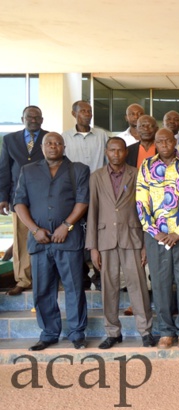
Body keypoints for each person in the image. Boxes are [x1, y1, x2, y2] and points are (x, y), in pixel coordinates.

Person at [13, 132, 89, 350]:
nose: (53, 146)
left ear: (64, 147)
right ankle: (48, 333)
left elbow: (82, 201)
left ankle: (76, 333)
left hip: (69, 240)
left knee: (74, 288)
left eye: (57, 143)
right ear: (42, 147)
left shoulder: (79, 170)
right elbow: (19, 204)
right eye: (49, 143)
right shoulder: (27, 171)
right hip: (40, 242)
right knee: (43, 290)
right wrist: (34, 229)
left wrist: (66, 226)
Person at [85, 137, 156, 348]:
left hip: (132, 237)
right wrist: (93, 246)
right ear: (106, 152)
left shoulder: (137, 173)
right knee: (109, 287)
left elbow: (145, 208)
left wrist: (145, 243)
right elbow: (93, 211)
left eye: (120, 150)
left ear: (126, 152)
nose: (116, 154)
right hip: (105, 238)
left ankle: (145, 331)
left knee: (139, 286)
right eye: (112, 150)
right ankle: (113, 332)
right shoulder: (96, 177)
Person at [136, 128, 179, 349]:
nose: (164, 144)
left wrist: (178, 231)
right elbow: (140, 204)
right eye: (159, 141)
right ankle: (165, 331)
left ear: (175, 141)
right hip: (157, 237)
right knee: (161, 283)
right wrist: (157, 232)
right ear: (155, 143)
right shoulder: (146, 166)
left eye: (168, 140)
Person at [0, 106, 47, 295]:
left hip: (44, 198)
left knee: (45, 238)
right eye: (29, 117)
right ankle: (22, 280)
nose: (33, 120)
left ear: (42, 120)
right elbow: (4, 169)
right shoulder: (9, 140)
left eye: (37, 117)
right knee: (20, 241)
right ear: (22, 119)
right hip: (18, 198)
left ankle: (45, 279)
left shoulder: (50, 138)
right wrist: (3, 197)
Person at [62, 101, 108, 174]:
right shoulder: (65, 137)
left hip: (98, 181)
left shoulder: (102, 135)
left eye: (89, 111)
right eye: (83, 111)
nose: (87, 114)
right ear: (74, 114)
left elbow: (108, 159)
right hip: (75, 181)